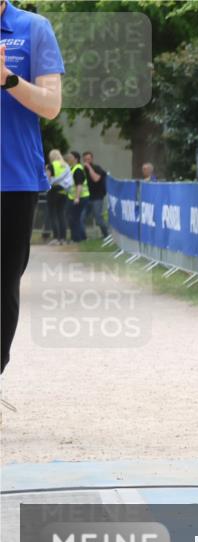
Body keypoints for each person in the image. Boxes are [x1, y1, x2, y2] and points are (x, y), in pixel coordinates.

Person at [1, 0, 64, 374]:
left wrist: (7, 78)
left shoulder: (34, 29)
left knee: (4, 286)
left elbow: (52, 105)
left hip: (14, 181)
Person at [44, 148, 70, 245]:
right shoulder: (66, 166)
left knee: (53, 215)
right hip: (63, 192)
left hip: (53, 191)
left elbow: (48, 179)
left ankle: (56, 237)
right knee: (61, 214)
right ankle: (63, 238)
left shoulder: (51, 165)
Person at [82, 151, 109, 237]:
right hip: (86, 197)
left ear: (92, 159)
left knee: (98, 219)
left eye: (88, 159)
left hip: (97, 197)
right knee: (81, 218)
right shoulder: (81, 170)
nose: (87, 161)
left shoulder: (97, 168)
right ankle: (82, 237)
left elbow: (96, 179)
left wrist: (89, 168)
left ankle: (106, 235)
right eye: (85, 159)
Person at [64, 150, 89, 242]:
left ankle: (77, 238)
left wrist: (77, 197)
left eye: (70, 157)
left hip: (80, 198)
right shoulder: (73, 168)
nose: (68, 158)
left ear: (76, 159)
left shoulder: (78, 169)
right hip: (74, 197)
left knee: (75, 218)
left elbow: (79, 185)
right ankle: (76, 237)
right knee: (73, 218)